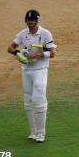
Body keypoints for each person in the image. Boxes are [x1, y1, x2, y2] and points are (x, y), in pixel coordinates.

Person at [7, 10, 57, 143]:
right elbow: (10, 48)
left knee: (38, 99)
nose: (30, 23)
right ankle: (33, 132)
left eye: (32, 21)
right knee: (28, 101)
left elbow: (52, 53)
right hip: (26, 70)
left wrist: (38, 54)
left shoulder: (45, 33)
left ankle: (41, 134)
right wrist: (19, 53)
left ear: (37, 21)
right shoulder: (23, 34)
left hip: (40, 70)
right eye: (28, 21)